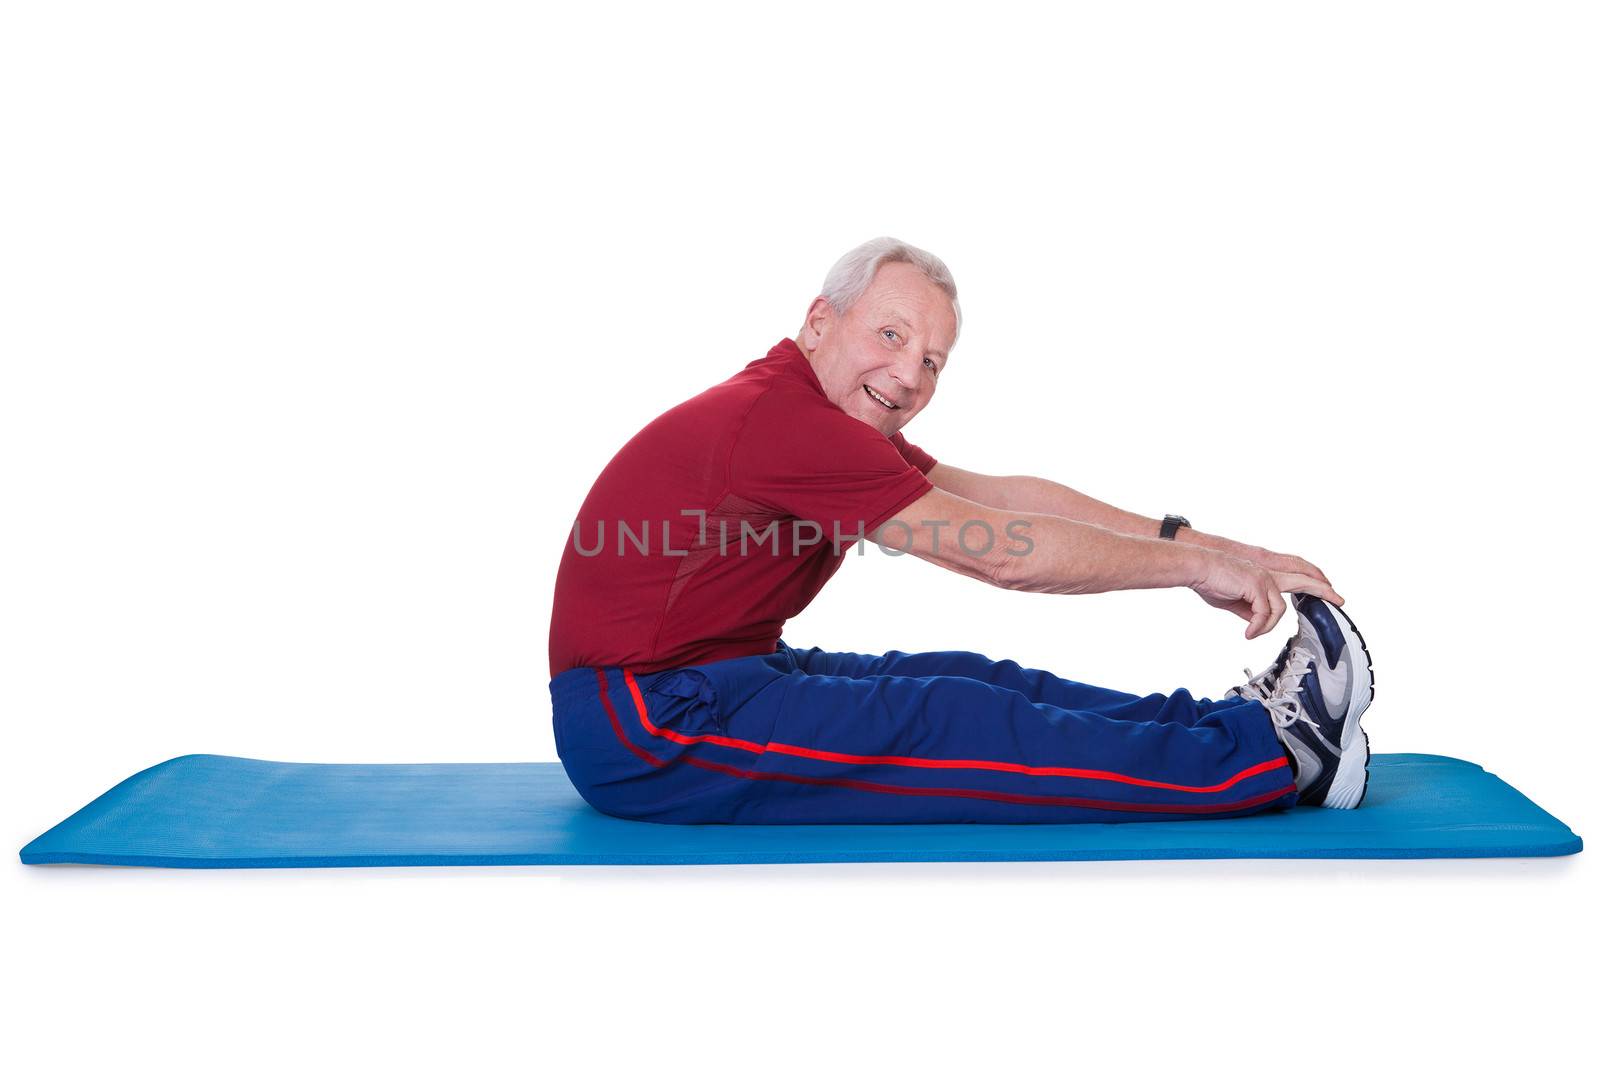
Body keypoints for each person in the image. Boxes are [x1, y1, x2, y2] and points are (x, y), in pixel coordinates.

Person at [546, 237, 1374, 824]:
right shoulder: (785, 423)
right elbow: (1010, 554)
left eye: (933, 360)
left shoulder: (816, 418)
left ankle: (1234, 729)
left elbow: (1004, 498)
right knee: (948, 718)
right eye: (891, 335)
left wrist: (1206, 544)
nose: (908, 374)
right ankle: (1274, 758)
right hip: (645, 724)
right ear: (819, 321)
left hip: (717, 677)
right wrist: (1194, 568)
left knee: (975, 678)